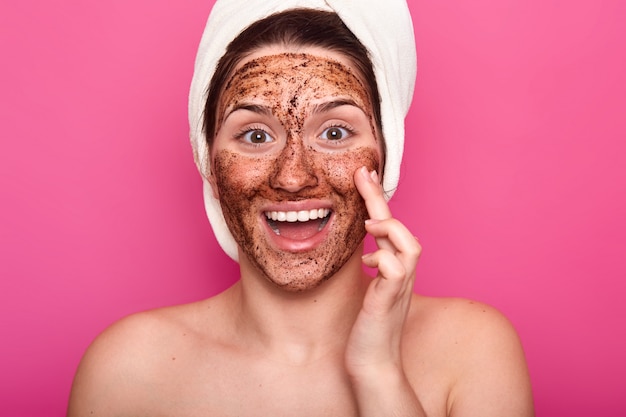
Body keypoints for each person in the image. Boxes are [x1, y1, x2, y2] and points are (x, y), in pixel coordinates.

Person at [67, 0, 534, 416]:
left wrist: (378, 373)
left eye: (334, 133)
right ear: (207, 162)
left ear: (386, 155)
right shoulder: (127, 370)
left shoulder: (474, 350)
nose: (293, 177)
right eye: (255, 135)